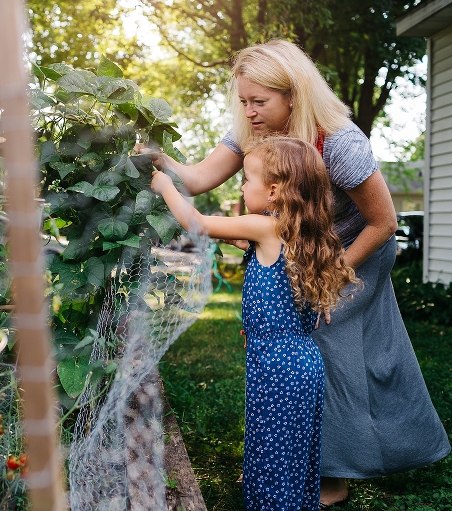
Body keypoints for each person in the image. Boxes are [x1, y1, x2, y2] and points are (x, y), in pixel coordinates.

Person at [145, 39, 450, 508]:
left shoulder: (341, 143)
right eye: (243, 101)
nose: (248, 112)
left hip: (355, 250)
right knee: (301, 346)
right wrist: (161, 163)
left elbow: (384, 222)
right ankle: (289, 461)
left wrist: (325, 282)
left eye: (259, 101)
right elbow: (201, 178)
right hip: (302, 251)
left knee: (325, 348)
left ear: (293, 95)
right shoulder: (256, 133)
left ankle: (331, 476)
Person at [153, 136, 359, 509]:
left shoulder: (266, 228)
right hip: (302, 361)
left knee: (272, 448)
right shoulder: (303, 234)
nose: (242, 185)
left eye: (247, 180)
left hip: (277, 366)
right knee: (291, 450)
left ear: (275, 190)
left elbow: (196, 223)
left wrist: (166, 184)